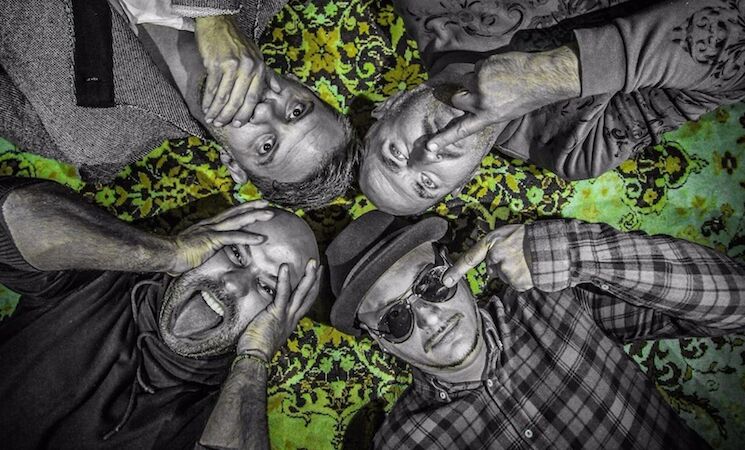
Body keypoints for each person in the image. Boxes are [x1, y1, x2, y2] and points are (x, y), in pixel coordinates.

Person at [326, 210, 745, 448]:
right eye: (395, 319)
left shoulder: (556, 301)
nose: (430, 318)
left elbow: (735, 301)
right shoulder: (405, 443)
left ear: (455, 269)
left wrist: (567, 250)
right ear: (381, 341)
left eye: (431, 284)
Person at [0, 175, 321, 449]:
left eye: (268, 288)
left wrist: (255, 357)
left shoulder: (222, 412)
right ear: (207, 240)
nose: (234, 284)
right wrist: (170, 252)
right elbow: (14, 210)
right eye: (236, 252)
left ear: (278, 321)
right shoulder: (98, 275)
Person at [360, 0, 745, 215]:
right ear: (466, 178)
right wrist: (548, 75)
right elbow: (735, 58)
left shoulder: (426, 8)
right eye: (428, 182)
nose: (427, 153)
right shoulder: (576, 149)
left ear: (393, 103)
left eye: (397, 153)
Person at [0, 0, 358, 209]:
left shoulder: (94, 136)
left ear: (233, 163)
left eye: (266, 145)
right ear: (302, 86)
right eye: (296, 111)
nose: (264, 109)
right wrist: (214, 16)